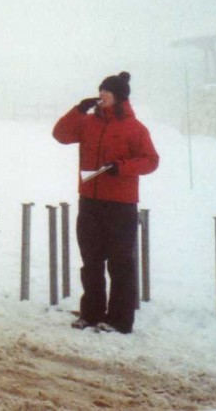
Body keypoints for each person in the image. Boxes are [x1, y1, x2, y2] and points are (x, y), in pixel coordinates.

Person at [53, 71, 159, 334]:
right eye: (100, 91)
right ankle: (90, 314)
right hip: (89, 201)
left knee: (120, 263)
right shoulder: (88, 123)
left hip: (120, 205)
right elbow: (61, 134)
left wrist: (121, 168)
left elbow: (150, 160)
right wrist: (78, 110)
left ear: (119, 97)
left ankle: (120, 320)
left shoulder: (135, 128)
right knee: (91, 261)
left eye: (106, 93)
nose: (101, 96)